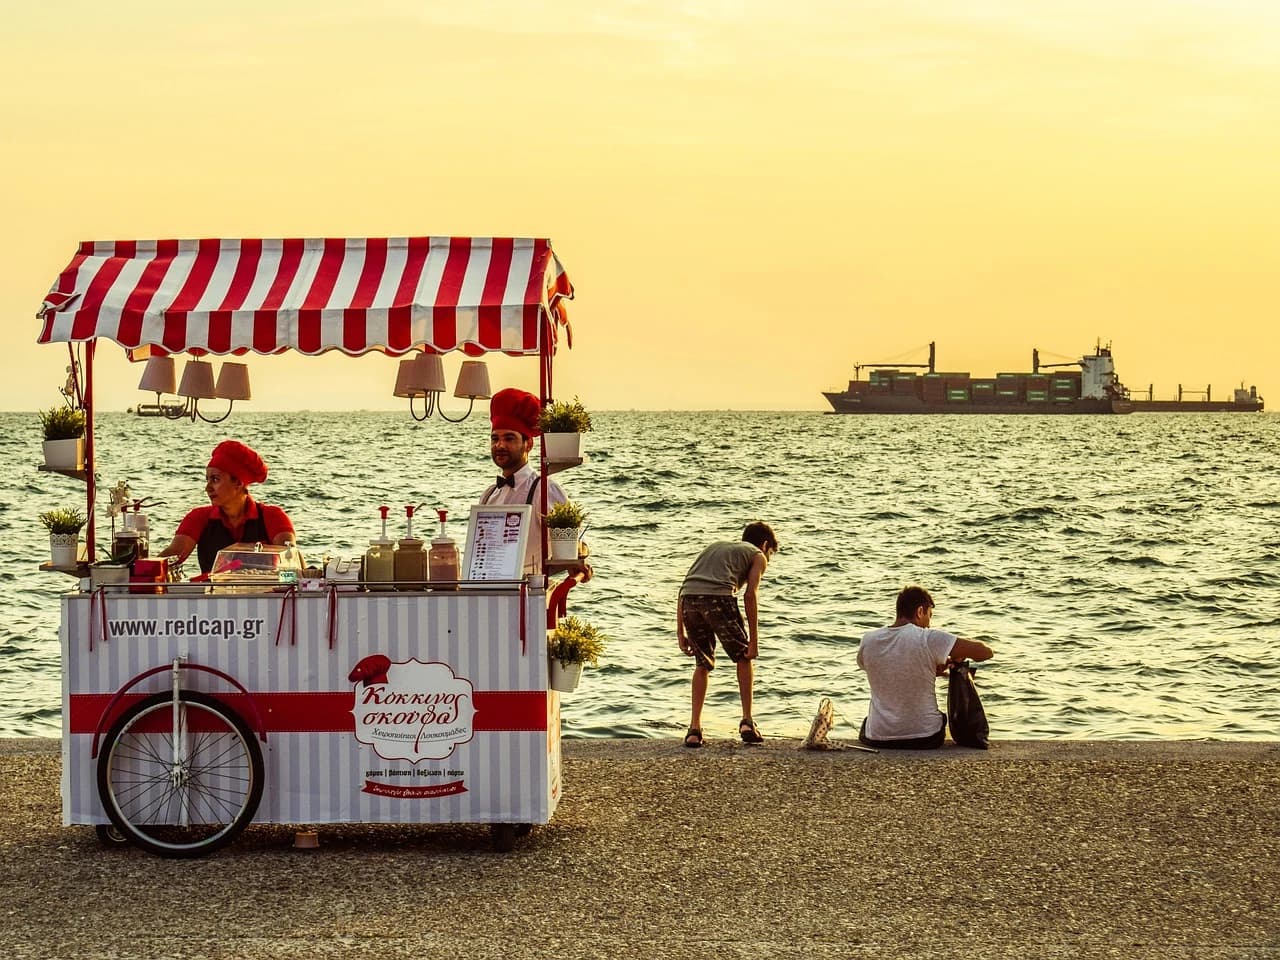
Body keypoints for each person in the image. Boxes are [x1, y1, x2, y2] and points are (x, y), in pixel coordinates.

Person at [676, 521, 779, 748]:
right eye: (771, 553)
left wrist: (680, 632)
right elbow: (750, 595)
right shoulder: (757, 555)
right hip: (718, 598)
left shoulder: (717, 547)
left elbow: (685, 587)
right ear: (764, 545)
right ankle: (747, 722)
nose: (768, 559)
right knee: (744, 656)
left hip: (690, 601)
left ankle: (694, 730)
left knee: (702, 663)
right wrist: (754, 641)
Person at [857, 585, 993, 749]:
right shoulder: (927, 638)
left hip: (878, 737)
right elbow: (985, 652)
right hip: (926, 737)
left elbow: (889, 670)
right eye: (929, 615)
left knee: (867, 722)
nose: (929, 624)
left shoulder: (868, 640)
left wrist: (929, 668)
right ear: (920, 612)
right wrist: (955, 656)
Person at [478, 388, 585, 578]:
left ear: (529, 444)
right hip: (491, 594)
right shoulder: (488, 494)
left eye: (509, 438)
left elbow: (569, 543)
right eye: (495, 438)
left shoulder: (544, 490)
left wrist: (578, 560)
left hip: (528, 597)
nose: (500, 445)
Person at [158, 440, 296, 574]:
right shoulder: (199, 517)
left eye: (215, 479)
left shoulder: (273, 516)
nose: (208, 488)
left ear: (238, 483)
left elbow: (291, 560)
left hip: (265, 596)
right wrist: (143, 568)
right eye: (207, 480)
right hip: (213, 597)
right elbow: (172, 558)